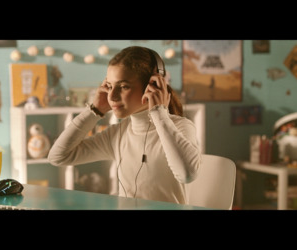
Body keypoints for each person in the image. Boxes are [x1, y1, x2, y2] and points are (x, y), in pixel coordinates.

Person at [48, 46, 201, 204]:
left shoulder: (181, 127)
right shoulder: (118, 133)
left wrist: (158, 113)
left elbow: (187, 174)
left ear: (152, 86)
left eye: (123, 87)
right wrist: (94, 110)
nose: (112, 97)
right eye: (109, 86)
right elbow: (58, 157)